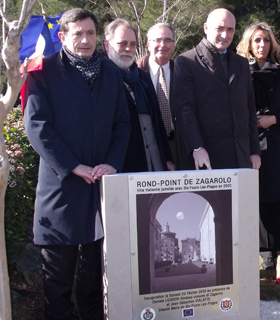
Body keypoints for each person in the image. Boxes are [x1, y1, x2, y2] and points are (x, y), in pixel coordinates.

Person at [23, 9, 130, 320]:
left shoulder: (111, 73)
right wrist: (73, 166)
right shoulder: (41, 71)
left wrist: (111, 163)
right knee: (57, 281)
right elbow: (37, 125)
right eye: (78, 33)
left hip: (101, 188)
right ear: (62, 36)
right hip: (62, 189)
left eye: (90, 33)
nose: (85, 40)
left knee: (95, 279)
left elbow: (122, 124)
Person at [236, 22, 280, 285]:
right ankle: (261, 257)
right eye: (256, 41)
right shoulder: (239, 70)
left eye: (265, 40)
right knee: (252, 204)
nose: (261, 45)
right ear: (248, 44)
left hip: (276, 146)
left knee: (277, 204)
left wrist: (275, 119)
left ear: (271, 43)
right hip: (245, 146)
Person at [173, 8, 261, 170]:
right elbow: (184, 110)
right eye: (219, 29)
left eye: (230, 30)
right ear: (206, 28)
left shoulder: (241, 63)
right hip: (207, 158)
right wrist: (197, 147)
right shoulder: (187, 62)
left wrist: (254, 150)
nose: (225, 35)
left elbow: (249, 108)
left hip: (240, 156)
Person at [104, 19, 174, 173]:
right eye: (122, 43)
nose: (128, 49)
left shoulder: (142, 76)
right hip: (121, 167)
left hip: (154, 163)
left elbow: (157, 120)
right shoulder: (101, 78)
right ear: (107, 45)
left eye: (133, 44)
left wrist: (167, 158)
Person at [137, 23, 186, 169]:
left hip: (176, 143)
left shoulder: (182, 73)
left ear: (173, 45)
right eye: (157, 40)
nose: (162, 45)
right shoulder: (136, 74)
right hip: (147, 144)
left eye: (168, 40)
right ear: (148, 44)